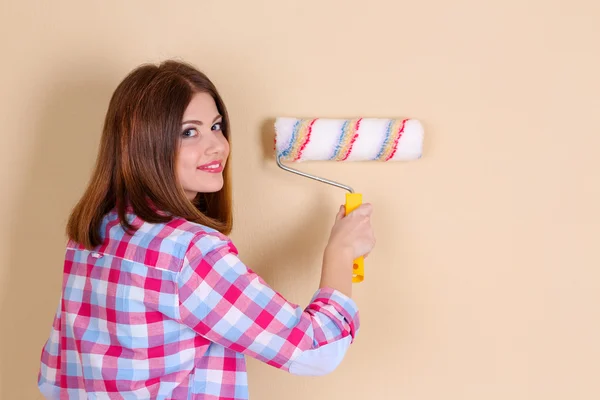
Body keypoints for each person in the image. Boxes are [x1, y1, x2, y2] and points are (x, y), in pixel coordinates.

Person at [37, 60, 375, 399]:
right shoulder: (189, 253)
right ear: (144, 145)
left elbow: (57, 374)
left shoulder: (96, 230)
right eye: (189, 132)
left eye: (216, 126)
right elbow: (315, 350)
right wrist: (341, 253)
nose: (218, 146)